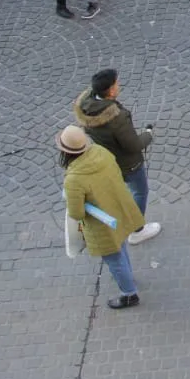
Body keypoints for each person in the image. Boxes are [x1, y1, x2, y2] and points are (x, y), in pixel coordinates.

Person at [58, 125, 145, 309]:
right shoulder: (101, 152)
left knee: (114, 258)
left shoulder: (73, 179)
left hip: (102, 225)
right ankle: (129, 278)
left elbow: (76, 213)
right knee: (121, 248)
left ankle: (129, 293)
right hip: (120, 209)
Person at [74, 69, 160, 245]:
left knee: (123, 190)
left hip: (108, 160)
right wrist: (148, 134)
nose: (118, 86)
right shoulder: (117, 118)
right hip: (128, 164)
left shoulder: (86, 108)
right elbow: (133, 145)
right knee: (140, 192)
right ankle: (137, 230)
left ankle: (124, 215)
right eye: (117, 83)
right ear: (111, 91)